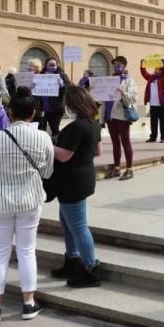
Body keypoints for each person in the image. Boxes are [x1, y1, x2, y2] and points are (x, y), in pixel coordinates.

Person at [0, 89, 54, 324]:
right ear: (33, 113)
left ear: (9, 113)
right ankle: (29, 303)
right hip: (30, 201)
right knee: (27, 251)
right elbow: (48, 172)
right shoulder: (43, 137)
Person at [50, 86, 103, 288]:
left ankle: (90, 268)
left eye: (67, 103)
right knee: (67, 223)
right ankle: (72, 259)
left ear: (73, 104)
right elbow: (97, 151)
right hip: (84, 177)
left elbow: (64, 155)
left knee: (79, 226)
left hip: (72, 181)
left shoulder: (75, 127)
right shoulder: (93, 124)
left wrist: (46, 142)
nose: (65, 107)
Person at [102, 55, 139, 181]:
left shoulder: (129, 81)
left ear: (124, 66)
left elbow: (133, 98)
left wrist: (122, 92)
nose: (116, 67)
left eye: (119, 65)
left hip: (122, 115)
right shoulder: (109, 79)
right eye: (114, 65)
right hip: (109, 115)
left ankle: (129, 169)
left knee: (125, 141)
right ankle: (116, 168)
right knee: (115, 143)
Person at [141, 58, 164, 143]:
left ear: (161, 71)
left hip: (161, 104)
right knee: (153, 121)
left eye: (158, 69)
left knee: (163, 122)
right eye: (155, 69)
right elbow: (144, 73)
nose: (156, 70)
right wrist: (142, 65)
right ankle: (153, 137)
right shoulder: (151, 78)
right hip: (153, 104)